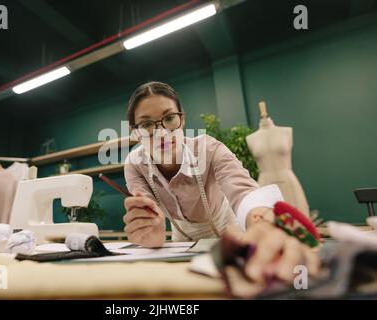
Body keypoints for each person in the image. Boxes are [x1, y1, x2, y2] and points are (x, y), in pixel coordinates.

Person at [123, 81, 319, 283]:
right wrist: (148, 229)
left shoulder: (210, 149)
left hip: (226, 227)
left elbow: (243, 192)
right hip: (179, 236)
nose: (162, 133)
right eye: (146, 125)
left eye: (170, 118)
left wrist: (260, 220)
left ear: (182, 120)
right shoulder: (135, 165)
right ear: (135, 132)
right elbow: (146, 210)